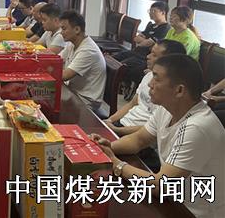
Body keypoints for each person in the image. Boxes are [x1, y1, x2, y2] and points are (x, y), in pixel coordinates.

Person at [90, 54, 224, 218]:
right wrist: (107, 147)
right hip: (173, 199)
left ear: (179, 90)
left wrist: (116, 164)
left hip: (194, 211)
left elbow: (162, 186)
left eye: (156, 79)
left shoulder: (197, 127)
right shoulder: (167, 109)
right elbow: (138, 140)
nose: (150, 84)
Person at [105, 39, 186, 171]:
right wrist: (110, 123)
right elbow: (133, 105)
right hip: (123, 128)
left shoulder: (171, 99)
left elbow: (162, 182)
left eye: (154, 55)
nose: (148, 56)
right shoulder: (149, 77)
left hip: (139, 142)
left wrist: (117, 163)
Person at [114, 2, 171, 99]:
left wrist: (144, 41)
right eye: (150, 11)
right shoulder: (151, 25)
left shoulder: (165, 28)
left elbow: (146, 43)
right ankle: (123, 84)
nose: (151, 13)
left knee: (123, 65)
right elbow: (136, 38)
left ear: (163, 13)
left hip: (144, 56)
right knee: (114, 59)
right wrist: (145, 41)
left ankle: (127, 86)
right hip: (136, 51)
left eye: (154, 11)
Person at [59, 10, 106, 110]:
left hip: (85, 100)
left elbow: (65, 76)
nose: (61, 32)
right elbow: (57, 60)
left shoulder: (88, 50)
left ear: (77, 29)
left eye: (64, 29)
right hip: (73, 91)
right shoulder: (72, 43)